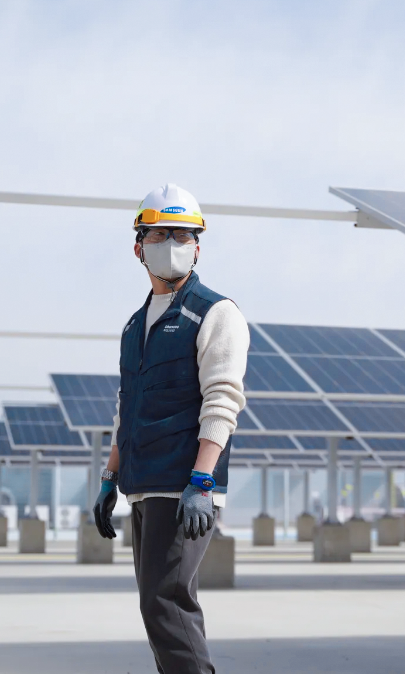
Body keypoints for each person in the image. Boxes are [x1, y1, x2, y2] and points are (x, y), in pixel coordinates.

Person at [92, 184, 248, 674]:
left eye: (184, 234)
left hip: (183, 487)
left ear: (198, 246)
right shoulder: (134, 325)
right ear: (139, 245)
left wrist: (201, 481)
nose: (173, 243)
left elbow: (223, 401)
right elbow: (128, 407)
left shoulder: (215, 313)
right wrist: (109, 478)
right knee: (158, 607)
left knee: (166, 603)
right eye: (161, 233)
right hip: (143, 486)